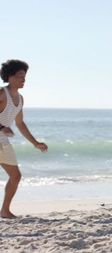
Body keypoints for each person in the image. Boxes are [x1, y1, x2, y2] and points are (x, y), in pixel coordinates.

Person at [0, 59, 48, 218]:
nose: (23, 80)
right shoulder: (1, 93)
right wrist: (2, 127)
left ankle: (5, 211)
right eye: (20, 76)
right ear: (10, 77)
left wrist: (35, 143)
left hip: (3, 142)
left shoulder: (20, 99)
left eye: (25, 76)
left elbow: (20, 123)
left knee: (15, 176)